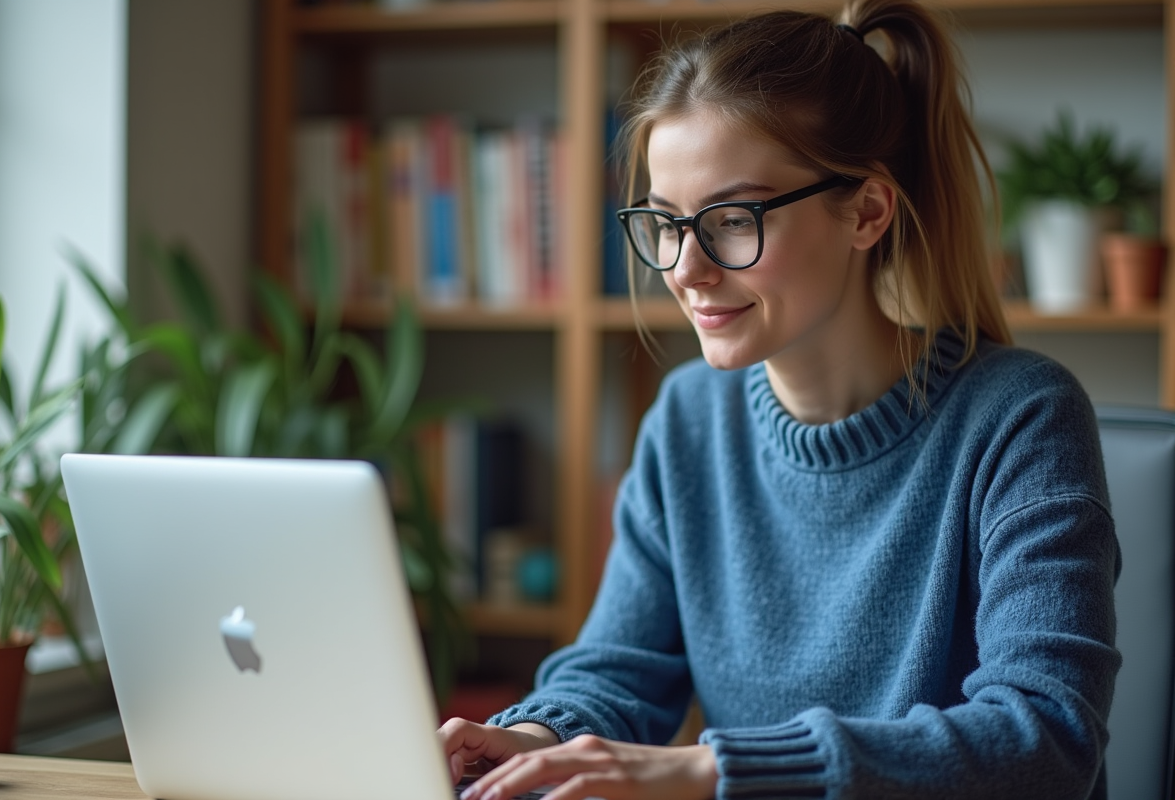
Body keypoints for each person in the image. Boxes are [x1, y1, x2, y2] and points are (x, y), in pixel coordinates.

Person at [439, 0, 1121, 797]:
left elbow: (1046, 737)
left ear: (866, 211)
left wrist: (712, 768)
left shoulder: (1021, 417)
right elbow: (619, 671)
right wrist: (529, 741)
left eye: (731, 220)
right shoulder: (689, 419)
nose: (685, 269)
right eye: (664, 223)